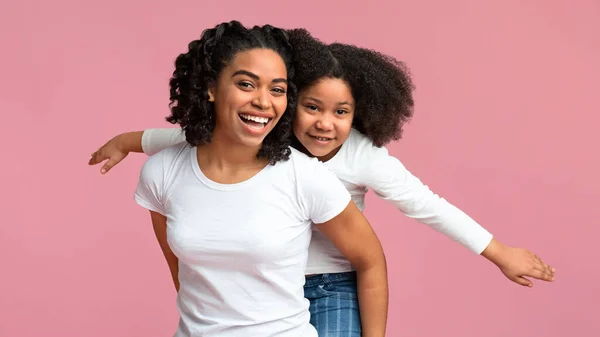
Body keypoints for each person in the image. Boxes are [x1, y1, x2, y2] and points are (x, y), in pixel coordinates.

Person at [90, 28, 555, 336]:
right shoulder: (258, 136)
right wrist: (127, 141)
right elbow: (188, 136)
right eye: (311, 107)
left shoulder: (356, 159)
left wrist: (497, 251)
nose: (324, 124)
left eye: (342, 113)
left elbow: (425, 204)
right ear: (292, 105)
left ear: (360, 115)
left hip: (332, 285)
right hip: (266, 287)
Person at [101, 21, 389, 337]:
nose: (264, 102)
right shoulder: (162, 173)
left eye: (277, 89)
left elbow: (371, 261)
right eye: (247, 84)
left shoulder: (304, 177)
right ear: (211, 87)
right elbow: (185, 277)